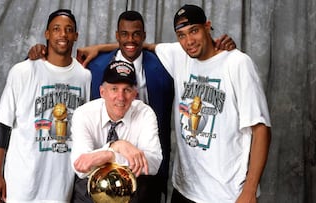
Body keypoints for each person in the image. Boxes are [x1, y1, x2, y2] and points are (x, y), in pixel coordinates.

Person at [28, 10, 235, 202]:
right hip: (96, 176)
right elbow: (60, 67)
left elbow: (171, 50)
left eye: (136, 35)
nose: (120, 97)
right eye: (124, 35)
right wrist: (40, 53)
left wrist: (216, 47)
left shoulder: (164, 64)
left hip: (145, 172)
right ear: (103, 91)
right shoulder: (94, 66)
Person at [79, 4, 272, 203]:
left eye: (194, 31)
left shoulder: (238, 63)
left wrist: (249, 188)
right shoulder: (179, 55)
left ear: (208, 26)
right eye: (181, 35)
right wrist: (99, 48)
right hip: (185, 189)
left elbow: (261, 130)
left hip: (227, 193)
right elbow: (138, 46)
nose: (189, 41)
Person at [0, 9, 91, 203]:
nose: (63, 34)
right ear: (47, 33)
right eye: (56, 29)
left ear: (76, 36)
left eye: (69, 30)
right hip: (22, 182)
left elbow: (83, 129)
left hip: (60, 183)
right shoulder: (22, 71)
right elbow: (2, 125)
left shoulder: (84, 76)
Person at [70, 60, 163, 203]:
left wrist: (110, 155)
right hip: (88, 191)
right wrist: (117, 147)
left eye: (127, 90)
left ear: (135, 94)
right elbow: (81, 167)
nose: (121, 97)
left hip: (130, 192)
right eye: (114, 89)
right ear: (102, 92)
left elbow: (154, 163)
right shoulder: (84, 114)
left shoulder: (145, 113)